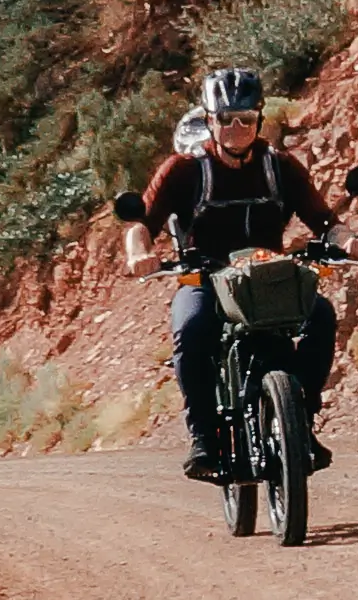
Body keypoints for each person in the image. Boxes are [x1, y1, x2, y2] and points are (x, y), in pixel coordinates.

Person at [115, 69, 346, 484]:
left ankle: (302, 419)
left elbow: (324, 220)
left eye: (245, 119)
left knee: (321, 315)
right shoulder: (183, 170)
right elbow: (141, 223)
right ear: (209, 120)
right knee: (191, 328)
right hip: (202, 277)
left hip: (266, 280)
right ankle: (203, 438)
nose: (236, 128)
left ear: (260, 119)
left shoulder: (281, 167)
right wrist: (139, 252)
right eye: (225, 119)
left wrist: (350, 240)